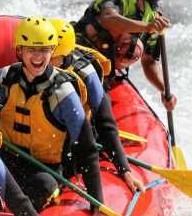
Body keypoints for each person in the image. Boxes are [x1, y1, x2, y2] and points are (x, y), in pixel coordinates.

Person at [0, 16, 105, 215]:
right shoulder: (8, 75)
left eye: (44, 50)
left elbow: (86, 148)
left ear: (52, 51)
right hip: (3, 156)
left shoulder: (63, 93)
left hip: (42, 169)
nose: (37, 57)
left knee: (43, 185)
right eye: (31, 49)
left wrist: (97, 203)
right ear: (19, 51)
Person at [75, 0, 184, 111]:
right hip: (79, 55)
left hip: (105, 70)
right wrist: (147, 27)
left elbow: (149, 61)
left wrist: (164, 91)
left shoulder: (155, 17)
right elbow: (107, 18)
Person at [50, 19, 144, 194]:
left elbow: (106, 124)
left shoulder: (87, 77)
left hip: (72, 142)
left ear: (63, 54)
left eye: (49, 54)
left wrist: (125, 170)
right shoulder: (30, 65)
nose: (43, 58)